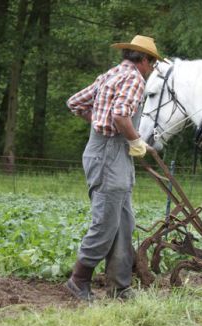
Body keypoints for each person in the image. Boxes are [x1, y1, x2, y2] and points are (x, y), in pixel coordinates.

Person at [65, 35, 162, 301]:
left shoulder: (109, 75)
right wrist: (135, 141)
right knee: (107, 222)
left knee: (123, 223)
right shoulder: (133, 79)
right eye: (152, 64)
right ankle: (79, 279)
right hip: (109, 153)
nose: (151, 69)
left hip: (107, 150)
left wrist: (99, 122)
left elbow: (75, 102)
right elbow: (120, 115)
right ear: (143, 60)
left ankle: (120, 287)